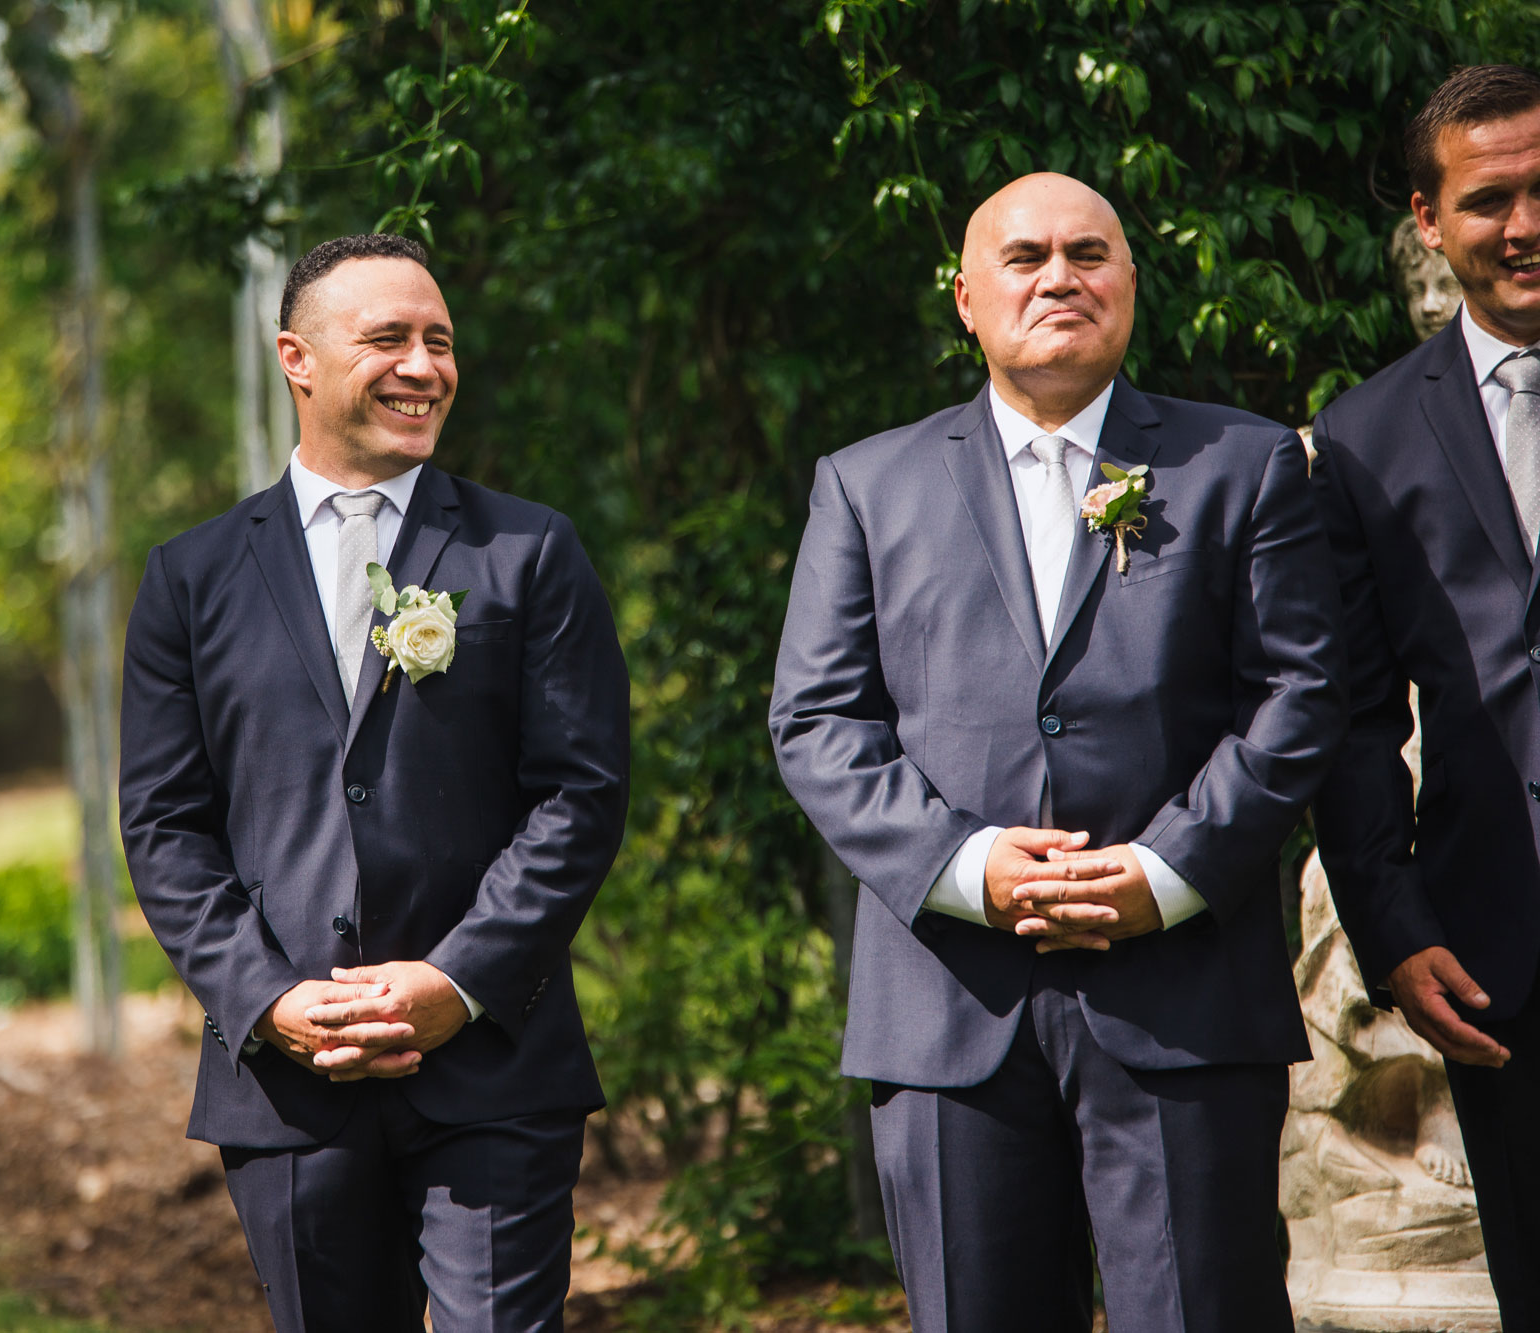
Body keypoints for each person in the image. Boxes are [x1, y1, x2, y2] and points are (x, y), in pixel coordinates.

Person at [769, 174, 1346, 1332]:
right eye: (1023, 257)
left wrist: (1164, 871)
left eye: (1087, 254)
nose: (1057, 276)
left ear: (1128, 285)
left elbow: (1299, 690)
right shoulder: (865, 483)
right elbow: (817, 723)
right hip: (946, 1004)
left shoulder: (1237, 462)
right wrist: (969, 866)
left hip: (1180, 998)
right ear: (965, 299)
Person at [118, 233, 629, 1333]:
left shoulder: (528, 552)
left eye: (438, 341)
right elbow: (164, 825)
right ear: (296, 358)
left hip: (494, 1061)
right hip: (289, 1080)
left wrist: (454, 981)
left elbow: (579, 795)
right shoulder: (190, 579)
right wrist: (269, 999)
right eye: (387, 338)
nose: (422, 365)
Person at [1309, 63, 1540, 1330]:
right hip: (1502, 948)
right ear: (1426, 218)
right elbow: (1347, 717)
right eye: (1488, 197)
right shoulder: (1359, 439)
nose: (1522, 225)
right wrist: (1389, 924)